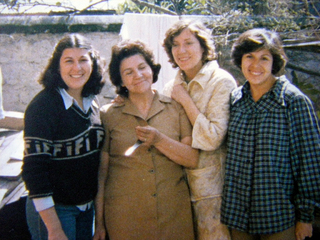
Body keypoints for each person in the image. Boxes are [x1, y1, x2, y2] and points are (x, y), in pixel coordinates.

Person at [220, 28, 320, 240]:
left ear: (274, 62)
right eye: (250, 57)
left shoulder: (294, 101)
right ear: (240, 59)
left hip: (278, 220)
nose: (255, 65)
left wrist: (306, 217)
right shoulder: (235, 99)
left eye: (264, 58)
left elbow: (310, 163)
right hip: (238, 218)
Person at [94, 39, 198, 240]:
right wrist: (99, 223)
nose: (138, 75)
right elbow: (102, 174)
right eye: (128, 72)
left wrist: (159, 140)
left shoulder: (175, 108)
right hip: (125, 221)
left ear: (152, 69)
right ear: (121, 80)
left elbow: (192, 159)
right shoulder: (108, 115)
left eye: (142, 67)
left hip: (174, 218)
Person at [22, 33, 106, 240]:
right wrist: (54, 228)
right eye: (69, 61)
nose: (77, 68)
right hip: (55, 211)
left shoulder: (93, 103)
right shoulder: (43, 107)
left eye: (83, 60)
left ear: (93, 64)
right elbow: (34, 172)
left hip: (86, 210)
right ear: (57, 66)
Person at [162, 20, 237, 239]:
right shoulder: (170, 87)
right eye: (175, 45)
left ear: (203, 47)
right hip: (177, 191)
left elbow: (212, 139)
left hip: (212, 193)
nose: (181, 51)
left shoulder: (221, 82)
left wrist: (186, 102)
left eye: (188, 43)